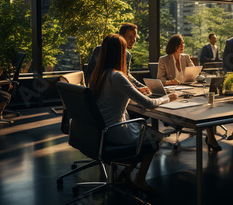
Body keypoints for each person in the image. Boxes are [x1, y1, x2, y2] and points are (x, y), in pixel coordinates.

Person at [89, 34, 177, 194]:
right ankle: (140, 180)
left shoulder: (98, 75)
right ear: (119, 53)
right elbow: (148, 104)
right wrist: (167, 97)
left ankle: (126, 174)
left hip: (99, 132)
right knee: (155, 138)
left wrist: (136, 92)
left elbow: (113, 98)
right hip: (115, 132)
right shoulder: (117, 76)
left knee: (145, 133)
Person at [158, 34, 222, 151]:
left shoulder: (186, 57)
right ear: (174, 46)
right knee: (201, 108)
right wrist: (170, 82)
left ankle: (211, 137)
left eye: (183, 43)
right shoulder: (163, 60)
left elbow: (195, 73)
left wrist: (203, 77)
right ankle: (211, 139)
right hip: (174, 93)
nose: (182, 46)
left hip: (189, 90)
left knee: (205, 107)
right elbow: (160, 79)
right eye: (180, 44)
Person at [84, 23, 149, 95]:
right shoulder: (100, 50)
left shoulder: (127, 55)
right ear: (121, 37)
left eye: (135, 37)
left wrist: (146, 88)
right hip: (98, 92)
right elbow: (89, 74)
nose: (133, 40)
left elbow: (127, 75)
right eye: (130, 37)